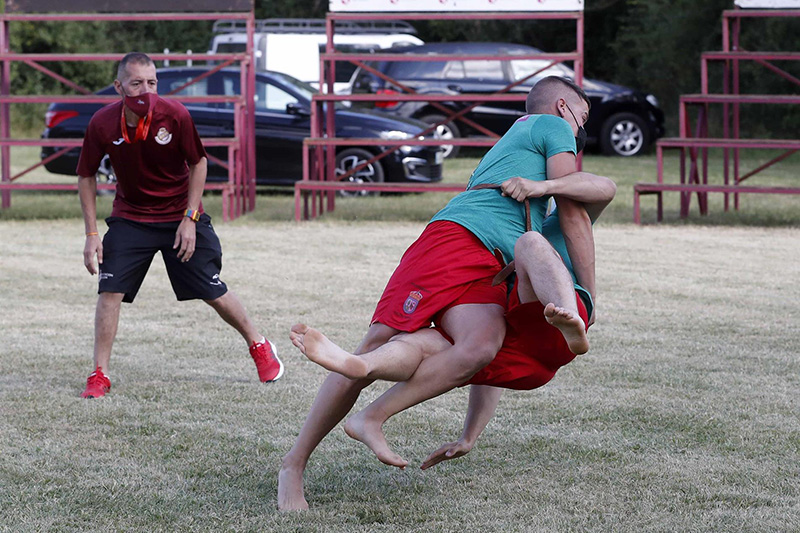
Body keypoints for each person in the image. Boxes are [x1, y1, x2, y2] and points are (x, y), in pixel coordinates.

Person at [278, 76, 605, 511]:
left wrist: (470, 435)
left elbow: (579, 195)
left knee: (481, 347)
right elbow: (573, 203)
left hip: (491, 261)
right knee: (376, 342)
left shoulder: (519, 145)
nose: (579, 135)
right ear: (564, 108)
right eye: (582, 119)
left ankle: (372, 416)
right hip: (457, 240)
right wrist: (588, 299)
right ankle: (293, 465)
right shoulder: (551, 125)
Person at [76, 52, 283, 398]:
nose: (146, 91)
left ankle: (259, 344)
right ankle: (99, 374)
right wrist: (92, 233)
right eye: (137, 83)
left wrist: (189, 218)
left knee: (211, 289)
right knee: (109, 290)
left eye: (152, 83)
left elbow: (198, 163)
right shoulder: (102, 122)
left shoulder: (175, 115)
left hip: (179, 213)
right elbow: (85, 175)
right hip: (132, 216)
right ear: (118, 87)